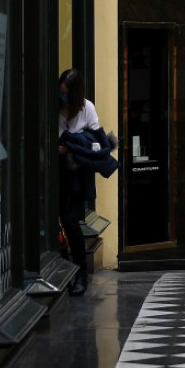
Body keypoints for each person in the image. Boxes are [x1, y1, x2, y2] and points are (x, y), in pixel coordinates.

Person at [57, 68, 119, 296]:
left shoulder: (86, 108)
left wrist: (73, 145)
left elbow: (99, 143)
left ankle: (80, 273)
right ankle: (63, 270)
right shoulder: (54, 108)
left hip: (76, 174)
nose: (62, 97)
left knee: (71, 222)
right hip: (55, 172)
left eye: (65, 94)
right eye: (60, 92)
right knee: (57, 222)